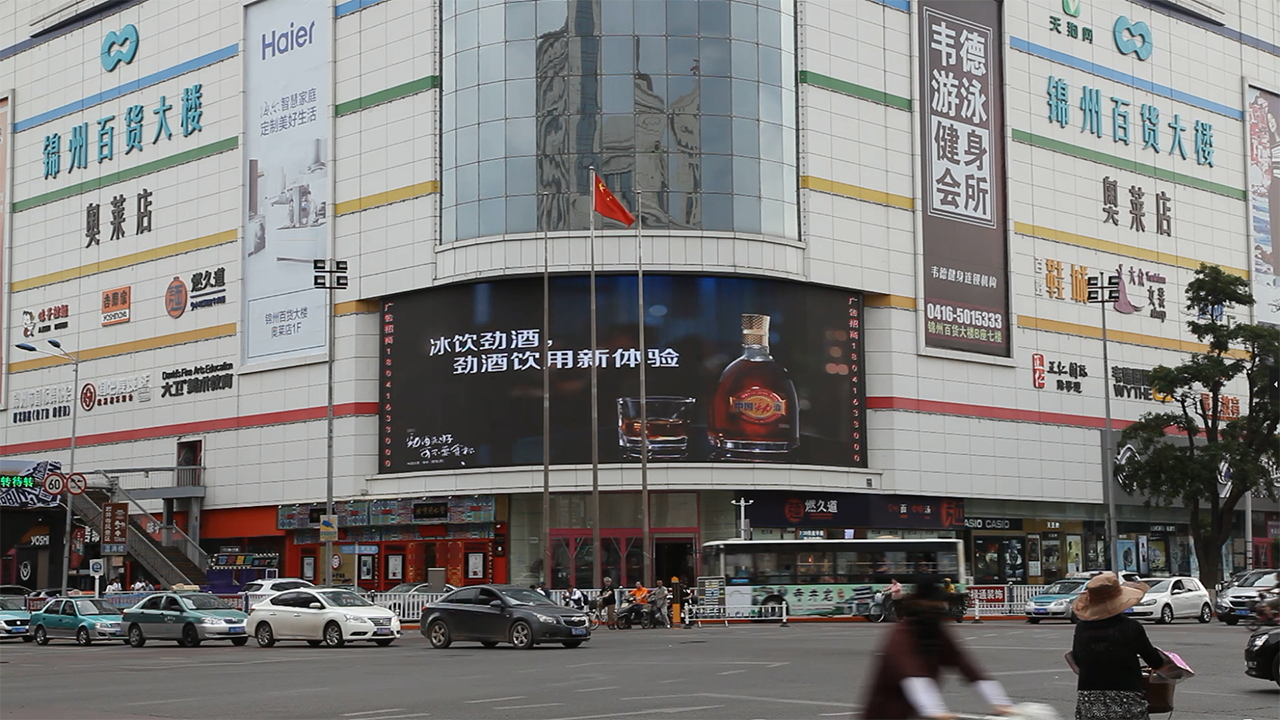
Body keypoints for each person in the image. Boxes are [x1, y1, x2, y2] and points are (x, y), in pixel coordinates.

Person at [860, 577, 1013, 720]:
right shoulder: (902, 635)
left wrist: (1000, 702)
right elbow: (913, 674)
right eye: (935, 603)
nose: (940, 608)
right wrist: (936, 711)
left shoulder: (937, 631)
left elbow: (964, 664)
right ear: (921, 603)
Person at [1068, 572, 1167, 719]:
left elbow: (1077, 659)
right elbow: (1154, 661)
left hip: (1089, 698)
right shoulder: (1131, 627)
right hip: (1126, 697)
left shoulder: (1082, 628)